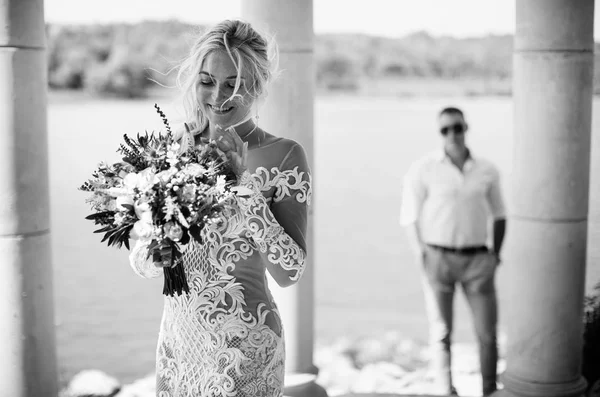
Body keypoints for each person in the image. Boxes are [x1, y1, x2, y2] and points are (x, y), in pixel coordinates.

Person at [128, 20, 312, 397]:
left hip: (247, 350)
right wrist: (153, 252)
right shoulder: (170, 147)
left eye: (235, 83)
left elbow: (290, 271)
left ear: (257, 86)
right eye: (208, 80)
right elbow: (142, 256)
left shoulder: (284, 155)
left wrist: (243, 186)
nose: (218, 96)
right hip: (178, 348)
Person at [399, 107, 506, 396]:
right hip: (438, 259)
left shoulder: (487, 170)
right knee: (441, 334)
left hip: (478, 261)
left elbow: (499, 214)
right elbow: (409, 215)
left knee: (487, 334)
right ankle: (446, 391)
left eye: (457, 127)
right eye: (445, 130)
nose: (452, 134)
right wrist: (420, 253)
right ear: (440, 133)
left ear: (466, 127)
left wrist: (495, 255)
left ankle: (489, 390)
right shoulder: (424, 168)